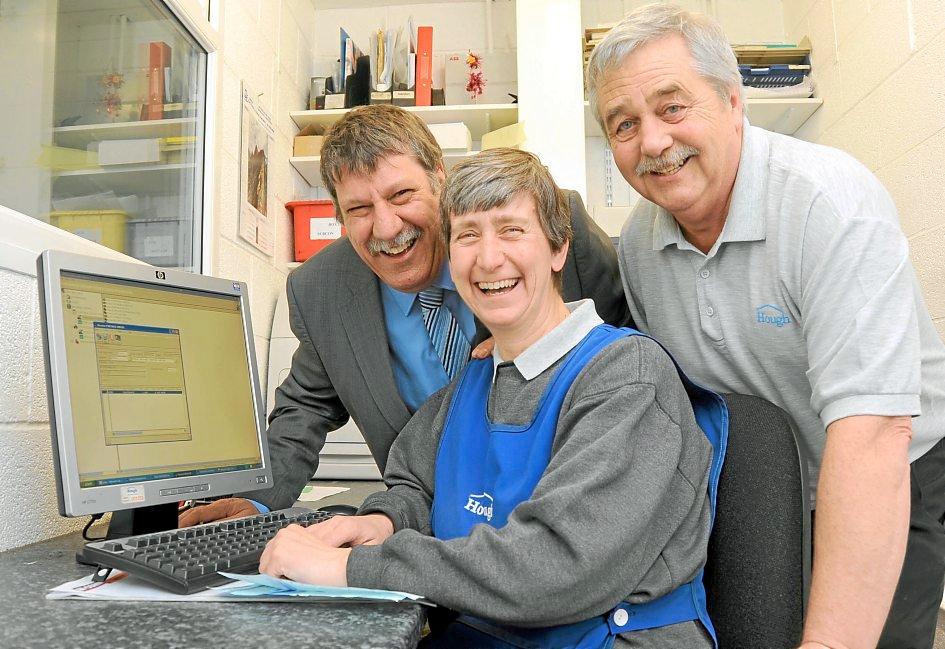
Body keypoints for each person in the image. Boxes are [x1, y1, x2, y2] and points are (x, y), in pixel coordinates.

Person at [258, 148, 728, 648]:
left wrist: (350, 567)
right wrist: (383, 520)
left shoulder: (626, 376)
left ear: (558, 249)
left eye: (510, 230)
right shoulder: (477, 377)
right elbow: (417, 487)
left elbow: (554, 567)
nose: (488, 258)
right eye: (467, 235)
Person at [586, 5, 945, 649]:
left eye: (673, 108)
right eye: (624, 124)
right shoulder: (640, 245)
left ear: (732, 100)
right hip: (763, 485)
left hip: (891, 463)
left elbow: (873, 434)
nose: (653, 143)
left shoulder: (828, 204)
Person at [180, 105, 628, 524]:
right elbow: (305, 407)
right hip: (420, 522)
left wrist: (540, 336)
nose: (387, 227)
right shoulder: (320, 290)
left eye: (402, 195)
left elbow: (624, 343)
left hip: (566, 510)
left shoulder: (547, 229)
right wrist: (259, 501)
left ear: (440, 179)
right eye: (359, 209)